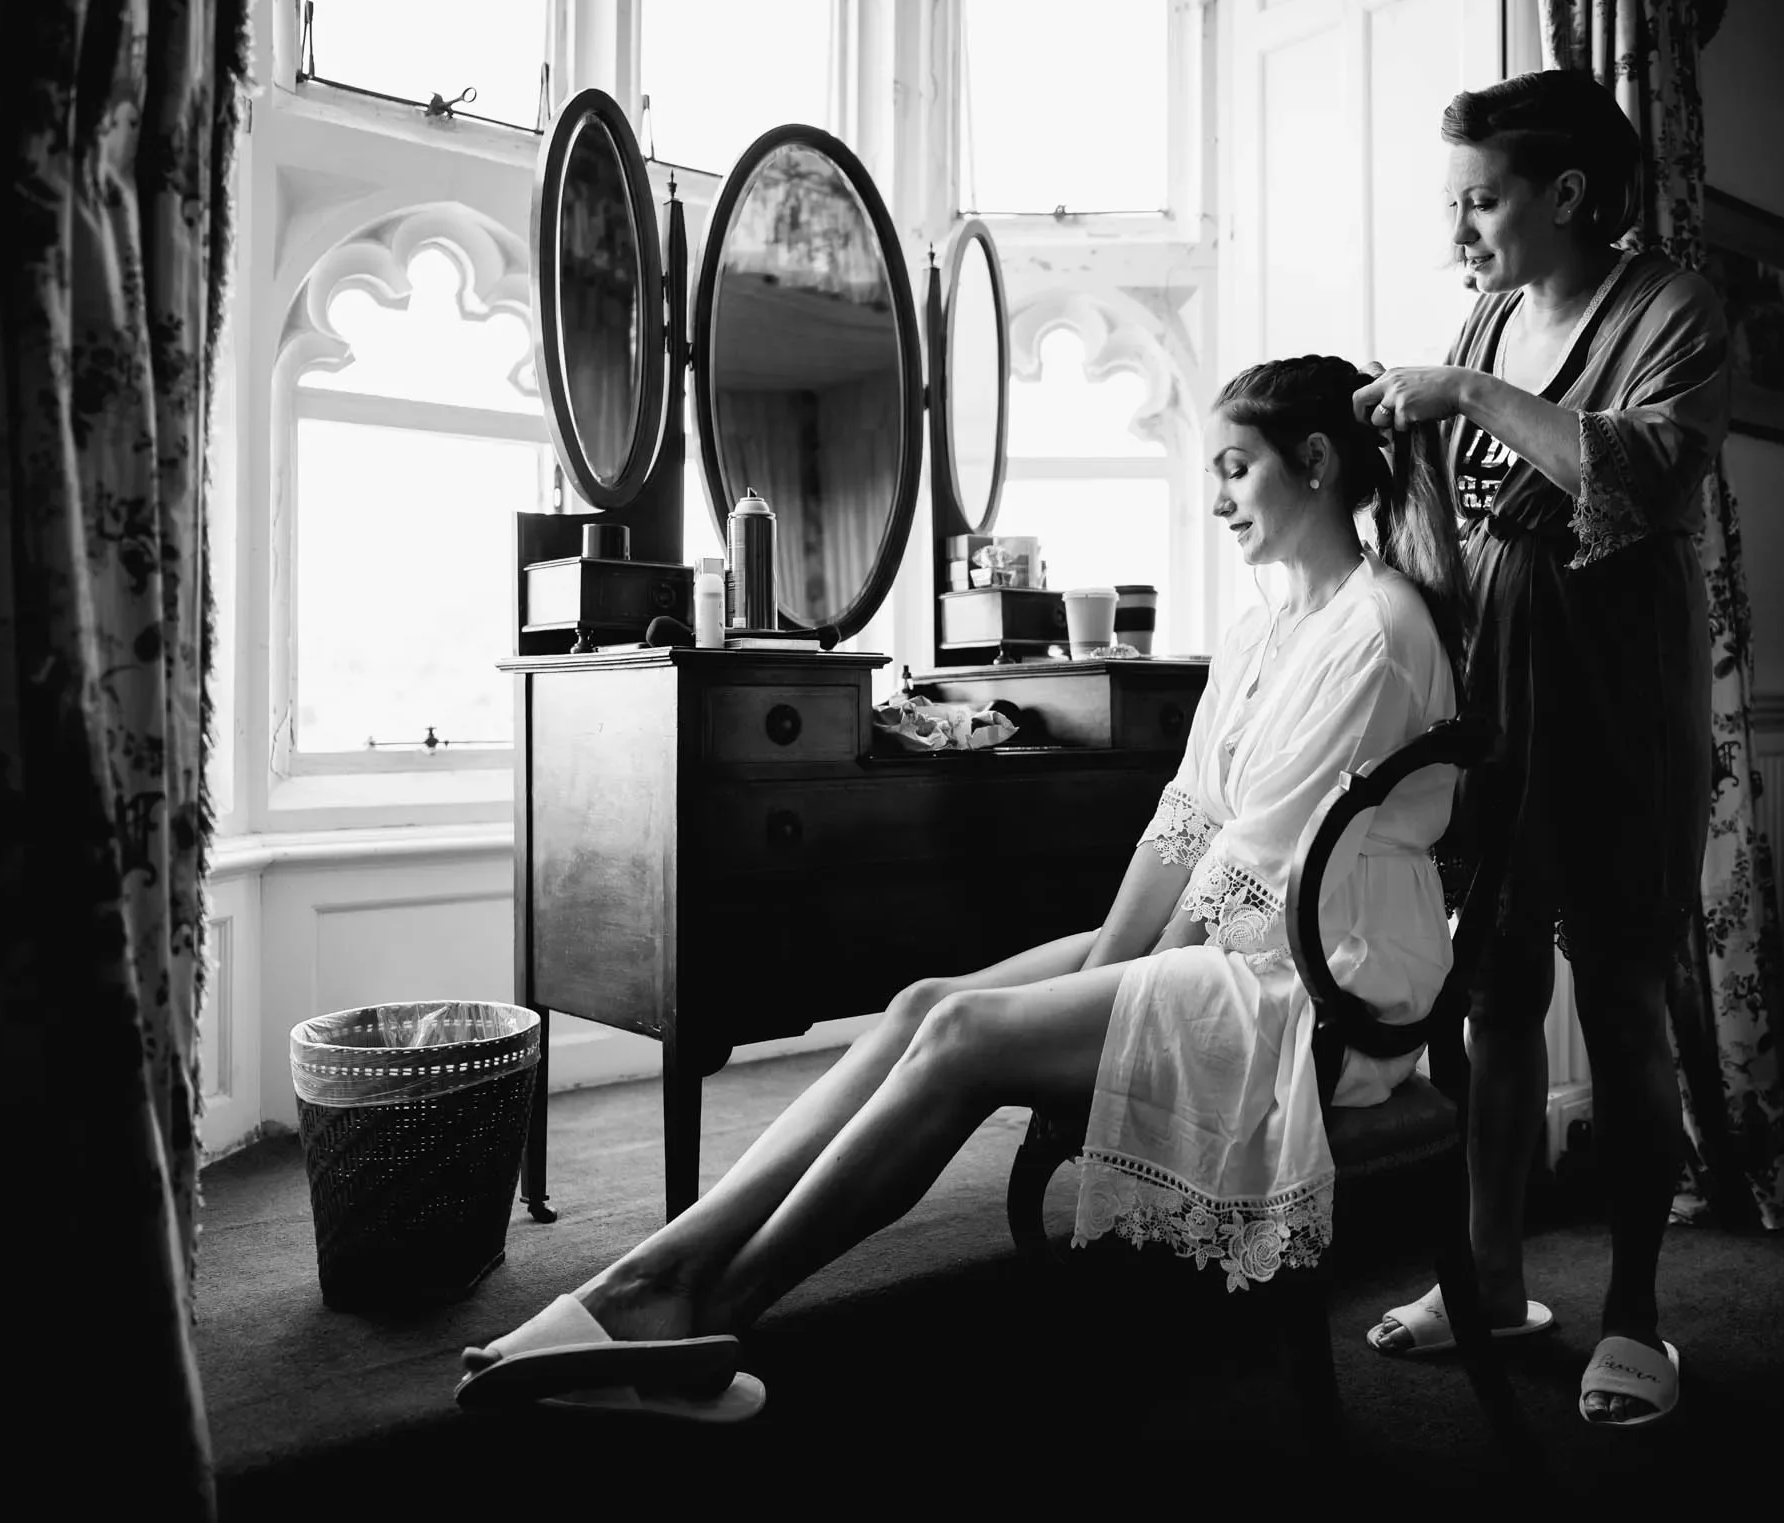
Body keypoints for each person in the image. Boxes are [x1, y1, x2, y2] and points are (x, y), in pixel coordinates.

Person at [456, 356, 1469, 1422]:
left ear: (1312, 462)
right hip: (1241, 949)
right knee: (923, 1005)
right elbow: (1186, 820)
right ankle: (649, 1278)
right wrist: (1109, 969)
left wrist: (1108, 993)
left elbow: (1247, 872)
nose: (1214, 499)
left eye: (1234, 468)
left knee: (963, 1039)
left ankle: (706, 1313)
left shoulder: (1377, 629)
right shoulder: (1268, 624)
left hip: (1325, 991)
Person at [1352, 71, 1730, 1429]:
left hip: (1621, 700)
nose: (1460, 229)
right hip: (1503, 696)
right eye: (1457, 201)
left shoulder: (1672, 308)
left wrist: (1462, 386)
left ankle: (1636, 1309)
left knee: (1622, 995)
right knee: (1497, 995)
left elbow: (1641, 475)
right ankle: (1489, 1280)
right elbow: (1460, 513)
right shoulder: (1493, 312)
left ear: (1567, 194)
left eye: (1481, 199)